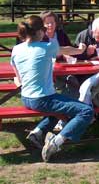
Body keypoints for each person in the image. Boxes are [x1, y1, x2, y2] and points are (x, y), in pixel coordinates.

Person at [11, 15, 94, 162]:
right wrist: (80, 49)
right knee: (86, 111)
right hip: (42, 99)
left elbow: (19, 79)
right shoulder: (47, 47)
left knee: (61, 106)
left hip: (26, 98)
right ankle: (56, 142)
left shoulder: (16, 49)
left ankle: (38, 132)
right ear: (39, 32)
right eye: (43, 29)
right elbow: (68, 50)